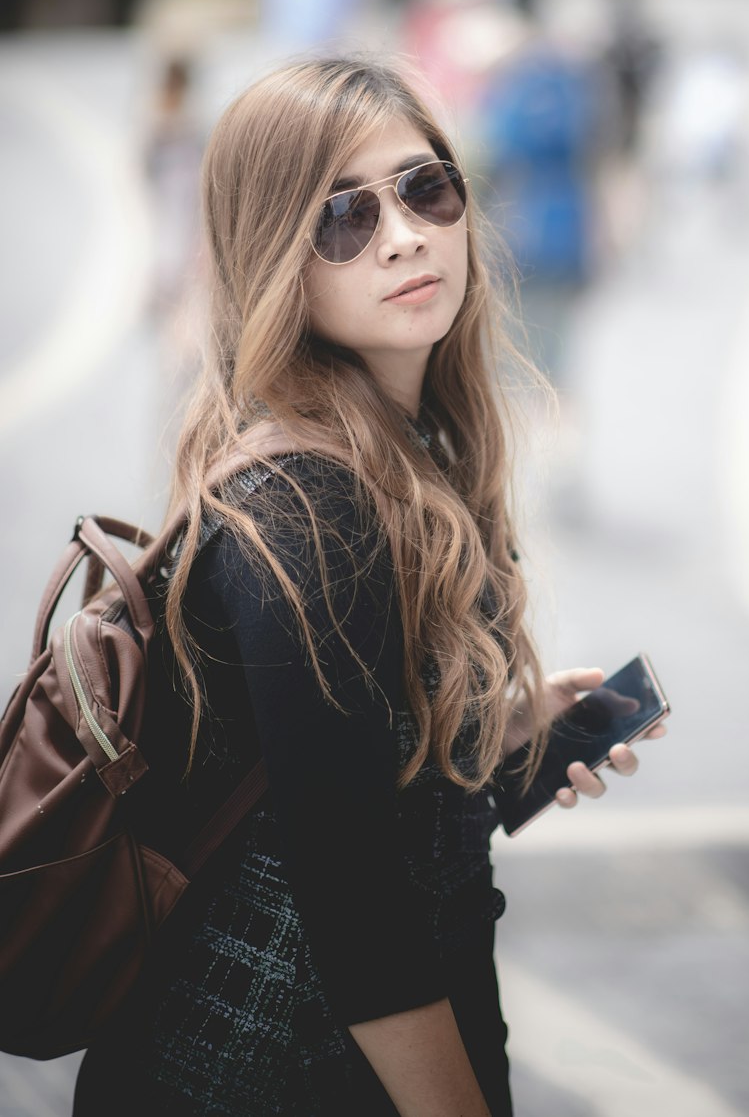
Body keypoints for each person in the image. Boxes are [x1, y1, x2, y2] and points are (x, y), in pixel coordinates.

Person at [72, 57, 664, 1117]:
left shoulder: (411, 450)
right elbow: (355, 908)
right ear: (274, 259)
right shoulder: (308, 510)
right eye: (342, 217)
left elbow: (337, 781)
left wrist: (491, 741)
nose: (402, 235)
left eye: (425, 187)